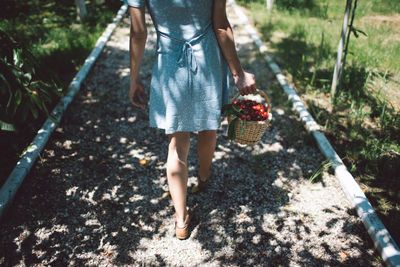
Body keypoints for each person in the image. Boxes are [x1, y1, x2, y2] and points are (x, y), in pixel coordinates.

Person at [126, 0, 256, 239]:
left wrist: (133, 78)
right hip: (207, 58)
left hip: (169, 62)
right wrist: (239, 73)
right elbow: (221, 26)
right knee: (208, 127)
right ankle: (204, 177)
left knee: (177, 143)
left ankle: (181, 220)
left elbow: (138, 32)